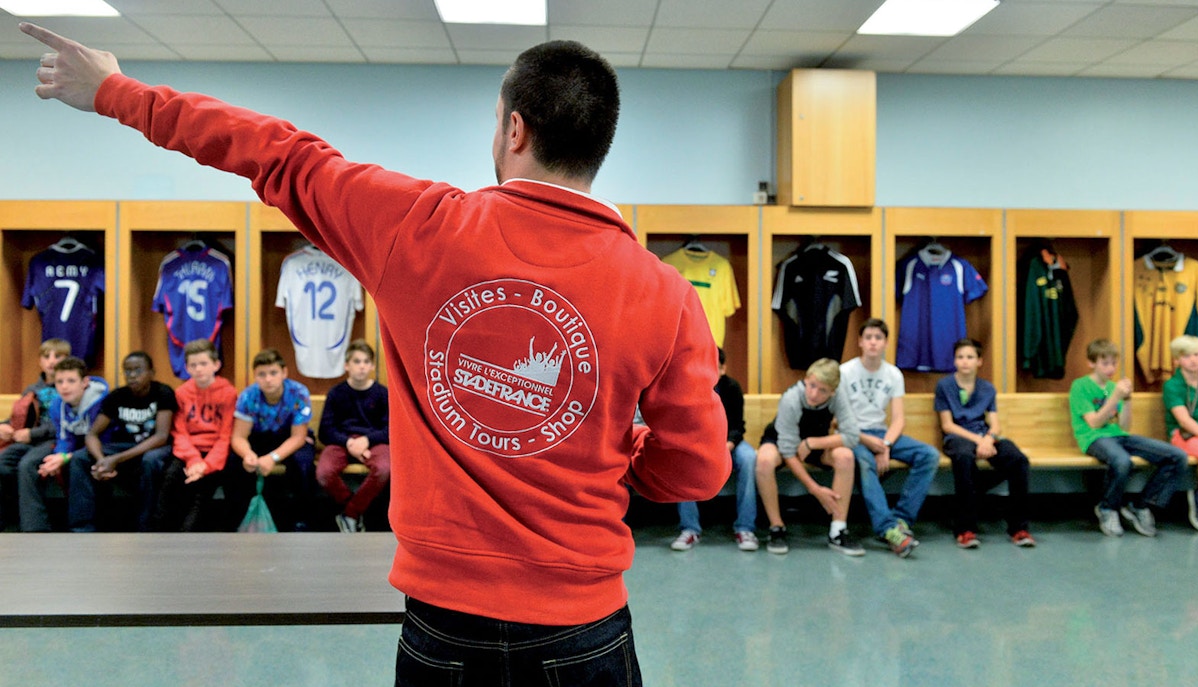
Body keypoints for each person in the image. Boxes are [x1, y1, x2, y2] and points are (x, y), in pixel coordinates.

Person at [23, 26, 729, 685]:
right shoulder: (666, 294)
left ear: (515, 127)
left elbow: (274, 150)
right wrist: (619, 443)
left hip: (445, 625)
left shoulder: (416, 226)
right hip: (585, 627)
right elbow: (693, 469)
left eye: (496, 118)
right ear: (598, 145)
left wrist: (118, 92)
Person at [840, 318, 939, 558]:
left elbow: (898, 419)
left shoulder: (893, 374)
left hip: (882, 434)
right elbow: (839, 420)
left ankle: (901, 520)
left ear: (885, 343)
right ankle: (887, 530)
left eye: (878, 338)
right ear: (860, 342)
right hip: (853, 436)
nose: (873, 343)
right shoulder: (845, 372)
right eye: (868, 338)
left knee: (929, 455)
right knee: (865, 463)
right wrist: (866, 440)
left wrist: (885, 445)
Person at [1070, 338, 1187, 537]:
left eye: (1114, 363)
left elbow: (1124, 425)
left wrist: (1127, 400)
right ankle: (1107, 508)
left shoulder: (1113, 387)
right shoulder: (1080, 386)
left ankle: (1141, 505)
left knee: (1177, 456)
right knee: (1122, 461)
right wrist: (1115, 397)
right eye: (1105, 363)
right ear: (1092, 363)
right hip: (1093, 438)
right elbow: (1094, 423)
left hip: (1119, 436)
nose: (1110, 368)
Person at [754, 358, 864, 556]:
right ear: (806, 380)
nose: (814, 394)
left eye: (822, 390)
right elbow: (787, 450)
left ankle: (837, 530)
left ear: (832, 391)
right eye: (812, 386)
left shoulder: (838, 397)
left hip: (813, 442)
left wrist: (813, 443)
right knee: (763, 460)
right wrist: (815, 489)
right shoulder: (792, 398)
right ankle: (776, 527)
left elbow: (852, 436)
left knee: (846, 456)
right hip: (781, 441)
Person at [934, 338, 1035, 548]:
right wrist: (979, 441)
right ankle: (965, 529)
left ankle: (1019, 528)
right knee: (963, 457)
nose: (965, 362)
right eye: (960, 357)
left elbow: (995, 425)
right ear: (954, 361)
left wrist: (988, 439)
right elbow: (947, 425)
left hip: (984, 436)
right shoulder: (944, 386)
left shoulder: (987, 388)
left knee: (1018, 460)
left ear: (979, 361)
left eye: (970, 357)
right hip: (958, 438)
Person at [68, 351, 176, 532]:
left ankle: (145, 527)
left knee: (150, 461)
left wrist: (116, 459)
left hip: (155, 448)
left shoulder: (163, 393)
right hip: (125, 447)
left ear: (151, 372)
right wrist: (102, 459)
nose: (132, 376)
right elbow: (92, 434)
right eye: (127, 371)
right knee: (80, 458)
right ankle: (82, 528)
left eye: (138, 370)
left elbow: (161, 436)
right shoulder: (117, 396)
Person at [670, 347, 758, 552]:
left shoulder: (732, 388)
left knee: (749, 458)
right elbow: (686, 426)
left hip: (729, 444)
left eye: (716, 368)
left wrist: (726, 446)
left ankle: (745, 528)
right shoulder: (690, 388)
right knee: (683, 458)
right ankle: (690, 529)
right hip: (700, 445)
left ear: (723, 368)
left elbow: (738, 427)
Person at [226, 348, 314, 532]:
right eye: (262, 374)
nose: (268, 379)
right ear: (255, 377)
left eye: (273, 373)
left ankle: (301, 520)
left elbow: (298, 437)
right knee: (234, 462)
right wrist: (248, 454)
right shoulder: (249, 396)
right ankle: (236, 519)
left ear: (284, 373)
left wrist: (272, 458)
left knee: (303, 463)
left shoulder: (299, 393)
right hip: (260, 439)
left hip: (290, 438)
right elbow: (239, 437)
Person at [17, 356, 108, 532]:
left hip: (104, 446)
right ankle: (36, 529)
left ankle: (83, 529)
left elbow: (105, 439)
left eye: (71, 381)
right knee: (47, 462)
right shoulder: (57, 404)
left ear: (85, 382)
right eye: (59, 381)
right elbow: (64, 437)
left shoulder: (102, 402)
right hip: (79, 446)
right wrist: (59, 455)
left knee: (77, 461)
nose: (64, 386)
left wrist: (67, 456)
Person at [155, 339, 237, 532]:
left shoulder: (229, 393)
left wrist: (205, 466)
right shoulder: (182, 393)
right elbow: (180, 432)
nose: (198, 369)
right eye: (193, 365)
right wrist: (193, 460)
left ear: (216, 365)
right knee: (170, 479)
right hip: (188, 452)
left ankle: (189, 534)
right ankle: (159, 532)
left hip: (215, 455)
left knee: (202, 491)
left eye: (203, 364)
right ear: (187, 368)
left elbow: (225, 436)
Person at [316, 339, 390, 533]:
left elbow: (390, 429)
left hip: (373, 442)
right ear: (347, 365)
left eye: (366, 361)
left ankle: (350, 514)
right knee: (323, 472)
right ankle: (354, 509)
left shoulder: (382, 393)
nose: (362, 366)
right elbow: (325, 430)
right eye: (357, 361)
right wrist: (349, 443)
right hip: (341, 441)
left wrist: (366, 440)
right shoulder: (336, 393)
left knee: (384, 469)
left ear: (373, 366)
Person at [0, 338, 69, 530]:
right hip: (27, 440)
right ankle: (7, 522)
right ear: (40, 361)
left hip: (54, 440)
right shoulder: (32, 389)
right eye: (47, 356)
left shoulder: (67, 387)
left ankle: (35, 527)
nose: (52, 361)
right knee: (3, 463)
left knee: (27, 465)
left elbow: (66, 422)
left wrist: (33, 433)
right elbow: (18, 417)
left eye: (58, 356)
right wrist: (4, 428)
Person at [1161, 335, 1198, 532]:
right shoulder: (1172, 386)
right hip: (1185, 434)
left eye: (1197, 355)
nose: (1193, 360)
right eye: (1186, 356)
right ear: (1176, 360)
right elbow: (1184, 420)